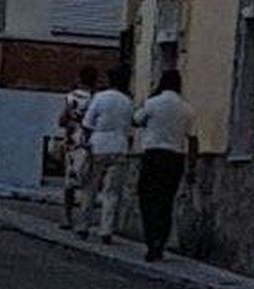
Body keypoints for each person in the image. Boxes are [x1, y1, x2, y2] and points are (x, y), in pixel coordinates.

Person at [132, 69, 198, 262]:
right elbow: (193, 139)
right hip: (175, 158)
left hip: (153, 155)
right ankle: (161, 242)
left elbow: (136, 120)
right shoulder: (186, 108)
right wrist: (191, 167)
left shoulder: (153, 103)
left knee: (147, 199)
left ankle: (150, 241)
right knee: (166, 201)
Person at [76, 65, 133, 244]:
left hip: (98, 146)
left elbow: (87, 123)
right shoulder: (127, 101)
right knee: (112, 192)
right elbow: (130, 126)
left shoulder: (100, 98)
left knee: (90, 189)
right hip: (120, 147)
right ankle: (106, 230)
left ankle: (84, 226)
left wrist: (85, 141)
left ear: (110, 80)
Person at [56, 65, 97, 231]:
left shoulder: (71, 97)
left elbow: (61, 119)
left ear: (79, 78)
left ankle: (67, 217)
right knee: (88, 182)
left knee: (69, 181)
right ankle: (84, 219)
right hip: (89, 141)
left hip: (72, 140)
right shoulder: (96, 98)